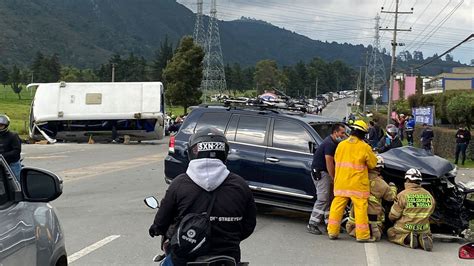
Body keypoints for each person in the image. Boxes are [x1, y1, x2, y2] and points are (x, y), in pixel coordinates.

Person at [148, 127, 257, 265]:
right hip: (228, 257)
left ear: (192, 151)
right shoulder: (240, 185)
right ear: (224, 152)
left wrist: (156, 228)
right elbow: (249, 225)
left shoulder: (179, 184)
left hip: (184, 256)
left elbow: (162, 220)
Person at [327, 120, 378, 242]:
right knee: (360, 209)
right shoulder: (364, 147)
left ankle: (332, 232)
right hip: (357, 184)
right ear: (363, 134)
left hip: (341, 182)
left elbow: (336, 160)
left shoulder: (341, 145)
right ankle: (362, 236)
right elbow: (373, 164)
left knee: (337, 206)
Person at [307, 123, 346, 235]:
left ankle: (330, 224)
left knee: (330, 199)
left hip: (323, 172)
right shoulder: (330, 144)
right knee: (323, 198)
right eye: (342, 133)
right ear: (335, 133)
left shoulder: (332, 142)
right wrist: (334, 177)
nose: (343, 135)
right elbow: (329, 162)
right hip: (321, 173)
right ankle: (312, 224)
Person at [346, 156, 397, 241]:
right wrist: (393, 187)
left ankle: (356, 230)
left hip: (354, 223)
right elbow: (391, 198)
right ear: (380, 169)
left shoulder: (358, 178)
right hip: (374, 225)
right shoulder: (382, 184)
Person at [387, 168, 435, 251]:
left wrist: (390, 219)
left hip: (406, 227)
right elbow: (431, 212)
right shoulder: (429, 195)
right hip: (423, 227)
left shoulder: (403, 195)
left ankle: (408, 238)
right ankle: (423, 237)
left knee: (391, 232)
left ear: (408, 180)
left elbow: (394, 215)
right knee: (426, 232)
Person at [0, 114, 22, 181]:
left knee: (17, 181)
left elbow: (17, 151)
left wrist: (2, 156)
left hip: (12, 163)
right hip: (0, 163)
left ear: (6, 125)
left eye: (1, 125)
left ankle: (21, 190)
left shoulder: (13, 136)